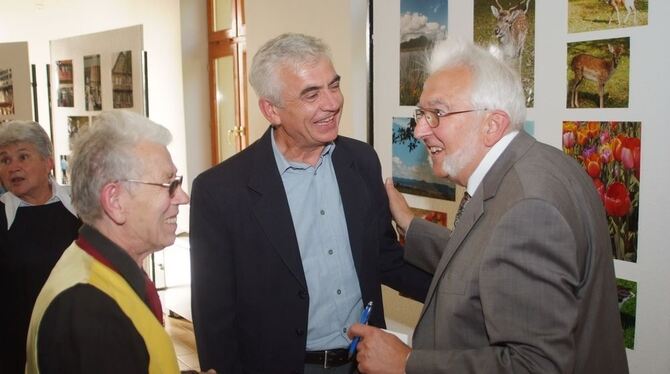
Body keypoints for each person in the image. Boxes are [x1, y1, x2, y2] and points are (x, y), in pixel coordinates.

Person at [348, 37, 629, 373]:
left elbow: (533, 366)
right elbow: (486, 259)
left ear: (492, 124)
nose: (420, 130)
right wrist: (411, 223)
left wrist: (407, 363)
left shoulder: (528, 208)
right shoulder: (538, 164)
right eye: (421, 114)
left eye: (436, 114)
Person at [190, 33, 431, 373]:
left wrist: (462, 290)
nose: (332, 103)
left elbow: (384, 257)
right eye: (311, 94)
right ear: (271, 109)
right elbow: (214, 316)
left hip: (366, 363)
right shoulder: (220, 191)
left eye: (334, 86)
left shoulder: (361, 161)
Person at [25, 110, 190, 373]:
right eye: (168, 183)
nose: (183, 197)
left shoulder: (94, 269)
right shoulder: (91, 310)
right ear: (115, 201)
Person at [0, 120, 81, 373]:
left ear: (48, 162)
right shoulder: (2, 215)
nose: (13, 167)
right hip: (16, 345)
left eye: (23, 156)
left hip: (79, 334)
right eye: (4, 160)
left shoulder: (80, 206)